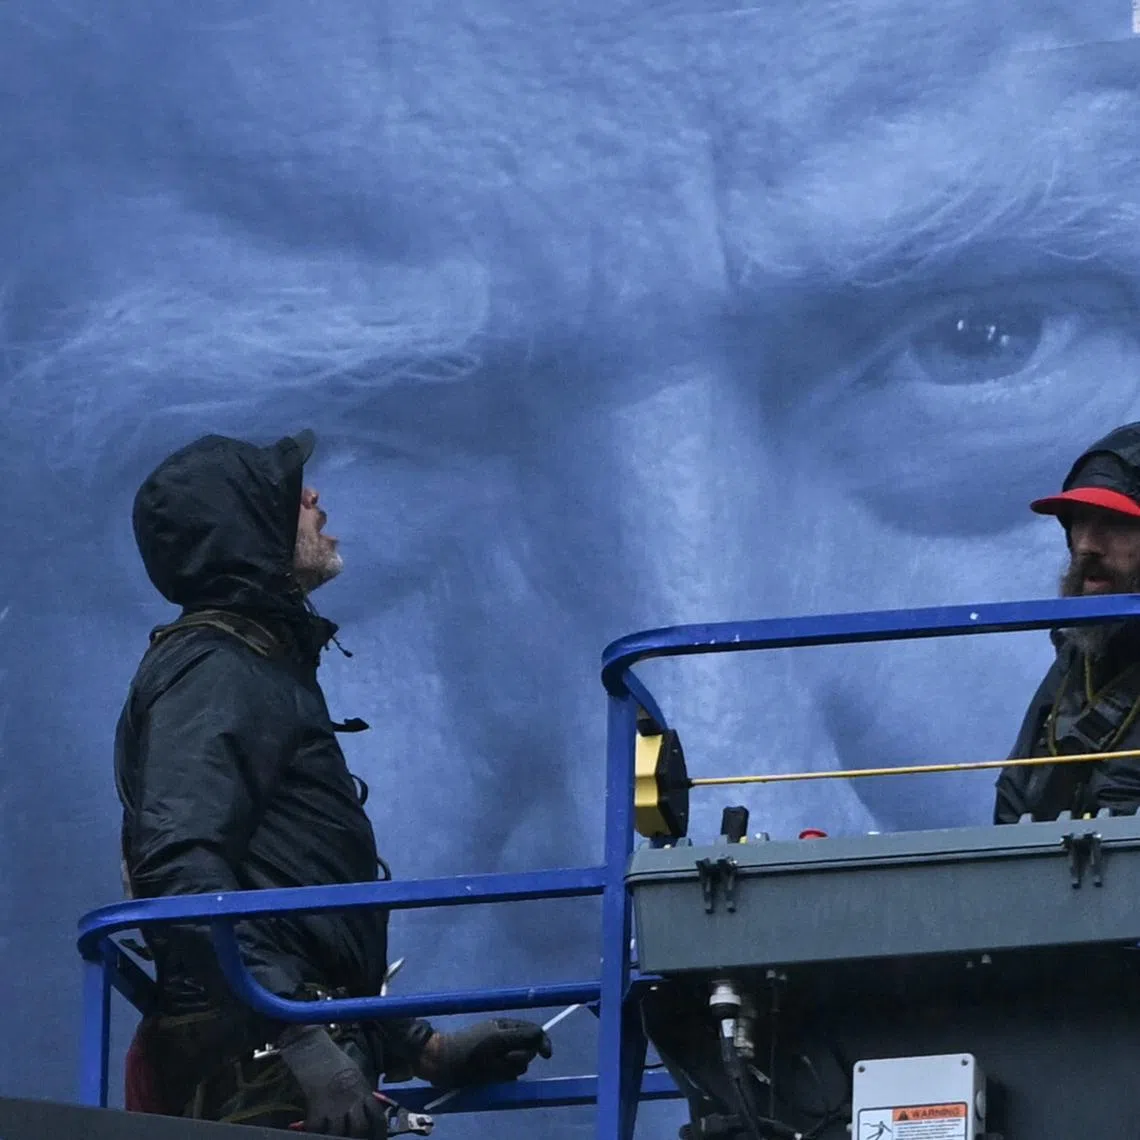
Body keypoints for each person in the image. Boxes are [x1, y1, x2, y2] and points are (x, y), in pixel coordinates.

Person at [114, 428, 552, 1135]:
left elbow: (289, 912)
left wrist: (422, 1049)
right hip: (262, 1074)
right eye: (288, 495)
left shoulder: (251, 667)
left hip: (284, 1056)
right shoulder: (216, 670)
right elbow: (178, 872)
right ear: (245, 527)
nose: (313, 497)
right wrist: (296, 1034)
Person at [995, 422, 1140, 825]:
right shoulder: (1076, 662)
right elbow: (1011, 804)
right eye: (1079, 521)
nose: (1088, 544)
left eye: (1113, 523)